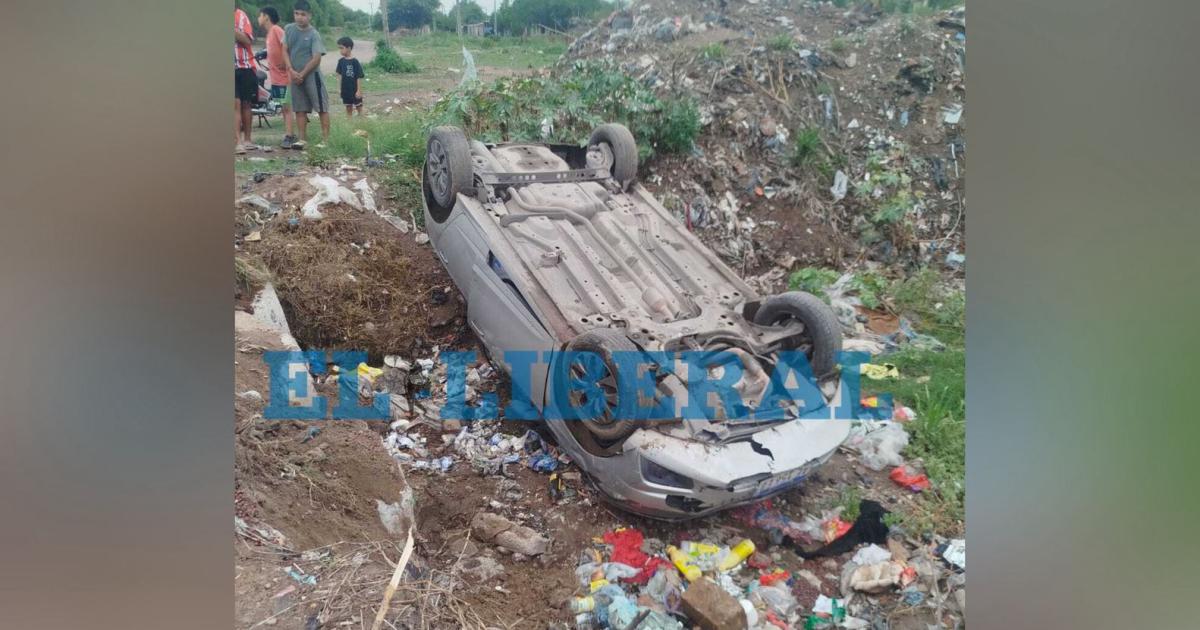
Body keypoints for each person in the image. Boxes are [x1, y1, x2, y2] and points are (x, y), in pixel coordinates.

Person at [282, 0, 329, 148]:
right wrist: (291, 70)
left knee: (321, 107)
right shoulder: (289, 29)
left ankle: (326, 141)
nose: (299, 17)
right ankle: (302, 139)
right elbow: (284, 49)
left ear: (309, 16)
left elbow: (317, 58)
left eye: (303, 14)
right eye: (296, 13)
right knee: (300, 108)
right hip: (295, 76)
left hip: (311, 76)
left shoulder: (314, 34)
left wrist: (301, 74)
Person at [257, 7, 296, 148]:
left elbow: (288, 47)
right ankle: (289, 133)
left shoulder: (276, 30)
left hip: (283, 76)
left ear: (266, 17)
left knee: (286, 107)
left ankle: (290, 136)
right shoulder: (269, 34)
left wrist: (285, 64)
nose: (258, 19)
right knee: (283, 107)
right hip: (275, 77)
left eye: (259, 16)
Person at [234, 5, 256, 153]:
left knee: (246, 104)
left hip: (245, 66)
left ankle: (247, 139)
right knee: (234, 103)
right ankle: (238, 142)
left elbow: (247, 40)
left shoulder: (241, 16)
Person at [334, 37, 365, 117]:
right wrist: (339, 88)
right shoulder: (341, 62)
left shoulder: (355, 61)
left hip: (354, 89)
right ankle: (349, 122)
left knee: (359, 106)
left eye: (342, 48)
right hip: (345, 89)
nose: (340, 50)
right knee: (348, 106)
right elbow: (339, 76)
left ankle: (362, 120)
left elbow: (359, 76)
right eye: (339, 48)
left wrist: (359, 90)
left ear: (349, 48)